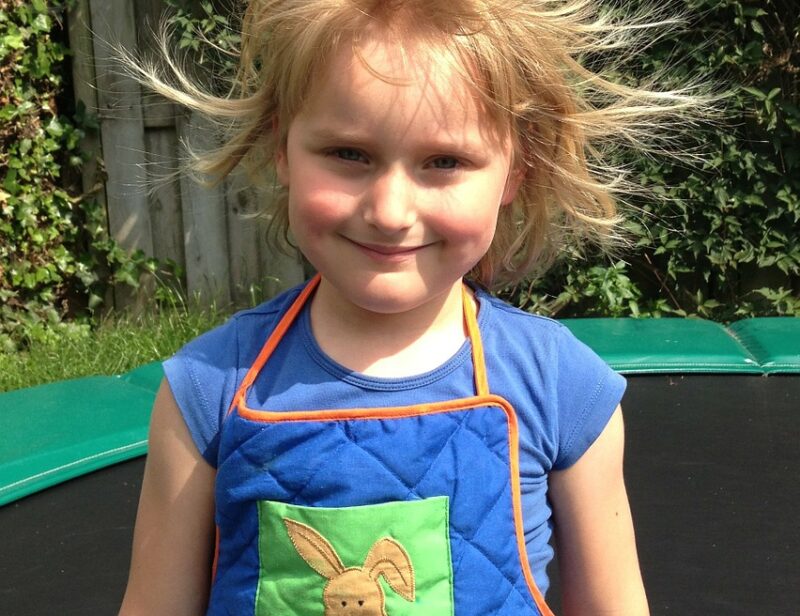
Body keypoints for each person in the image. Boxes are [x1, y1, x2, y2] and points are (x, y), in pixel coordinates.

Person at [120, 1, 697, 614]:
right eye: (348, 154)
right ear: (282, 147)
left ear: (513, 174)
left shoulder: (562, 389)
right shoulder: (208, 392)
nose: (390, 212)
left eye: (444, 162)